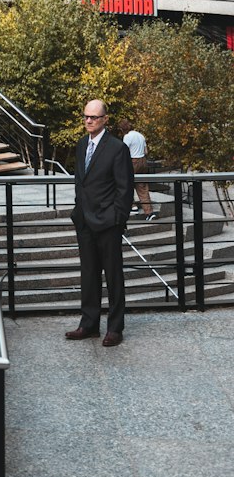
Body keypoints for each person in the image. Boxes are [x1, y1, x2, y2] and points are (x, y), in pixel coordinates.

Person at [66, 99, 134, 348]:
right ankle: (89, 324)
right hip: (85, 221)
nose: (88, 120)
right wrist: (78, 212)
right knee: (89, 274)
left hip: (108, 223)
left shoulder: (117, 148)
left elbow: (124, 188)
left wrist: (117, 219)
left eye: (94, 117)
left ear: (105, 119)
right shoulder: (82, 144)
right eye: (85, 116)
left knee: (114, 276)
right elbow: (80, 182)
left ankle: (115, 328)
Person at [120, 118, 157, 220]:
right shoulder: (140, 135)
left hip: (133, 161)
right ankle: (149, 212)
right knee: (142, 187)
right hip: (143, 161)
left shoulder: (127, 137)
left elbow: (124, 152)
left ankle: (133, 206)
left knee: (127, 183)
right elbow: (146, 151)